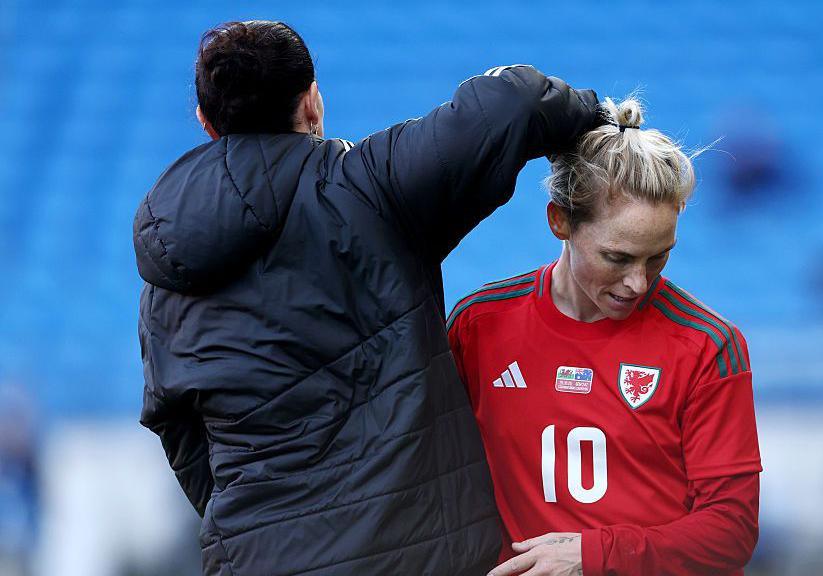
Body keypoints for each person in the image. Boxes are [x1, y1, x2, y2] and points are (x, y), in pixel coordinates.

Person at [132, 20, 602, 576]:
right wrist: (597, 117)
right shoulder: (368, 187)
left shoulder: (167, 276)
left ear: (206, 124)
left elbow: (180, 435)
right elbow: (513, 99)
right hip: (419, 552)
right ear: (310, 103)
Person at [447, 98, 762, 575]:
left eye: (658, 256)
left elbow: (731, 529)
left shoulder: (708, 345)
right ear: (561, 221)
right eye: (618, 258)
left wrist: (594, 557)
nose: (639, 282)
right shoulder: (478, 325)